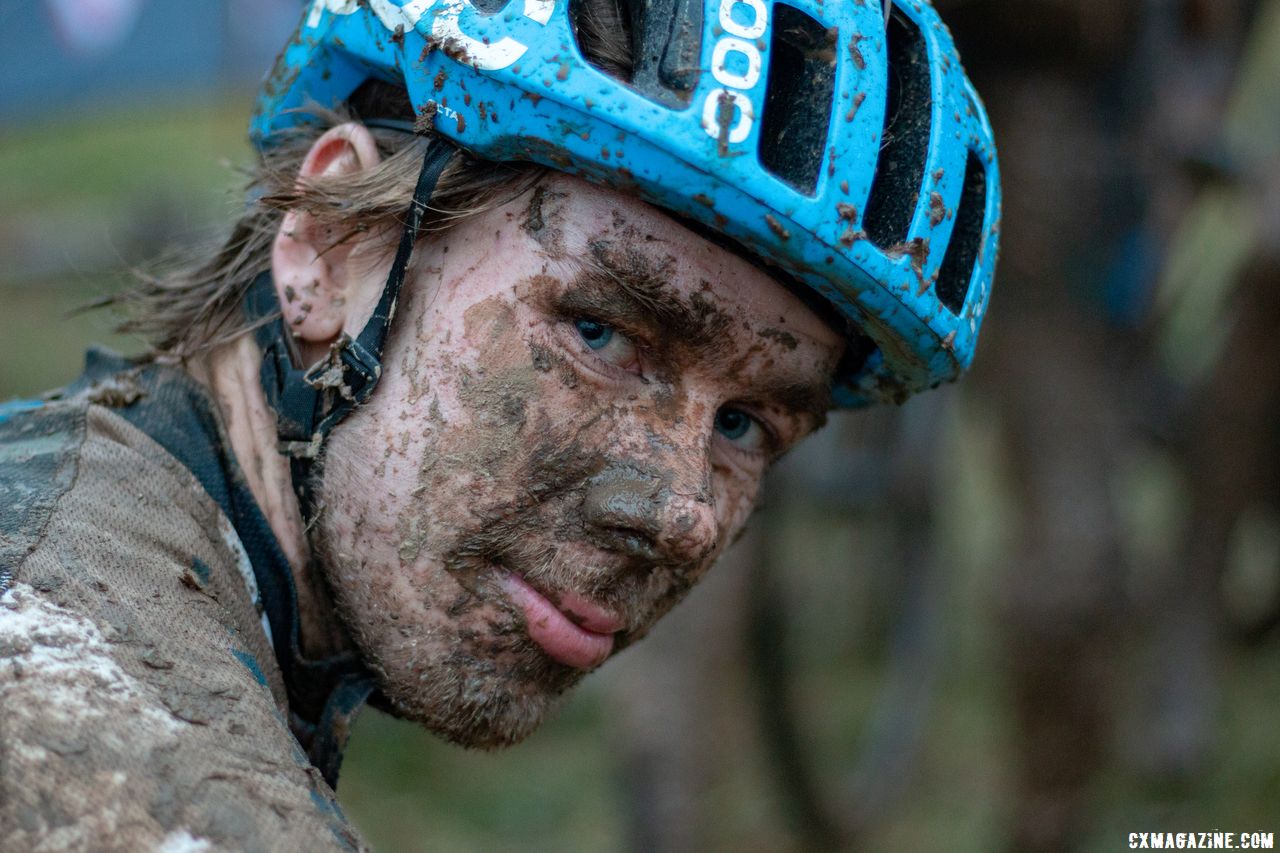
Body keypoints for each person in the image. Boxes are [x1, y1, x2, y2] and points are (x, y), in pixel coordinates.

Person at [0, 0, 999, 848]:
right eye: (600, 333)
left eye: (745, 425)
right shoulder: (133, 771)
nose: (684, 515)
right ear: (333, 242)